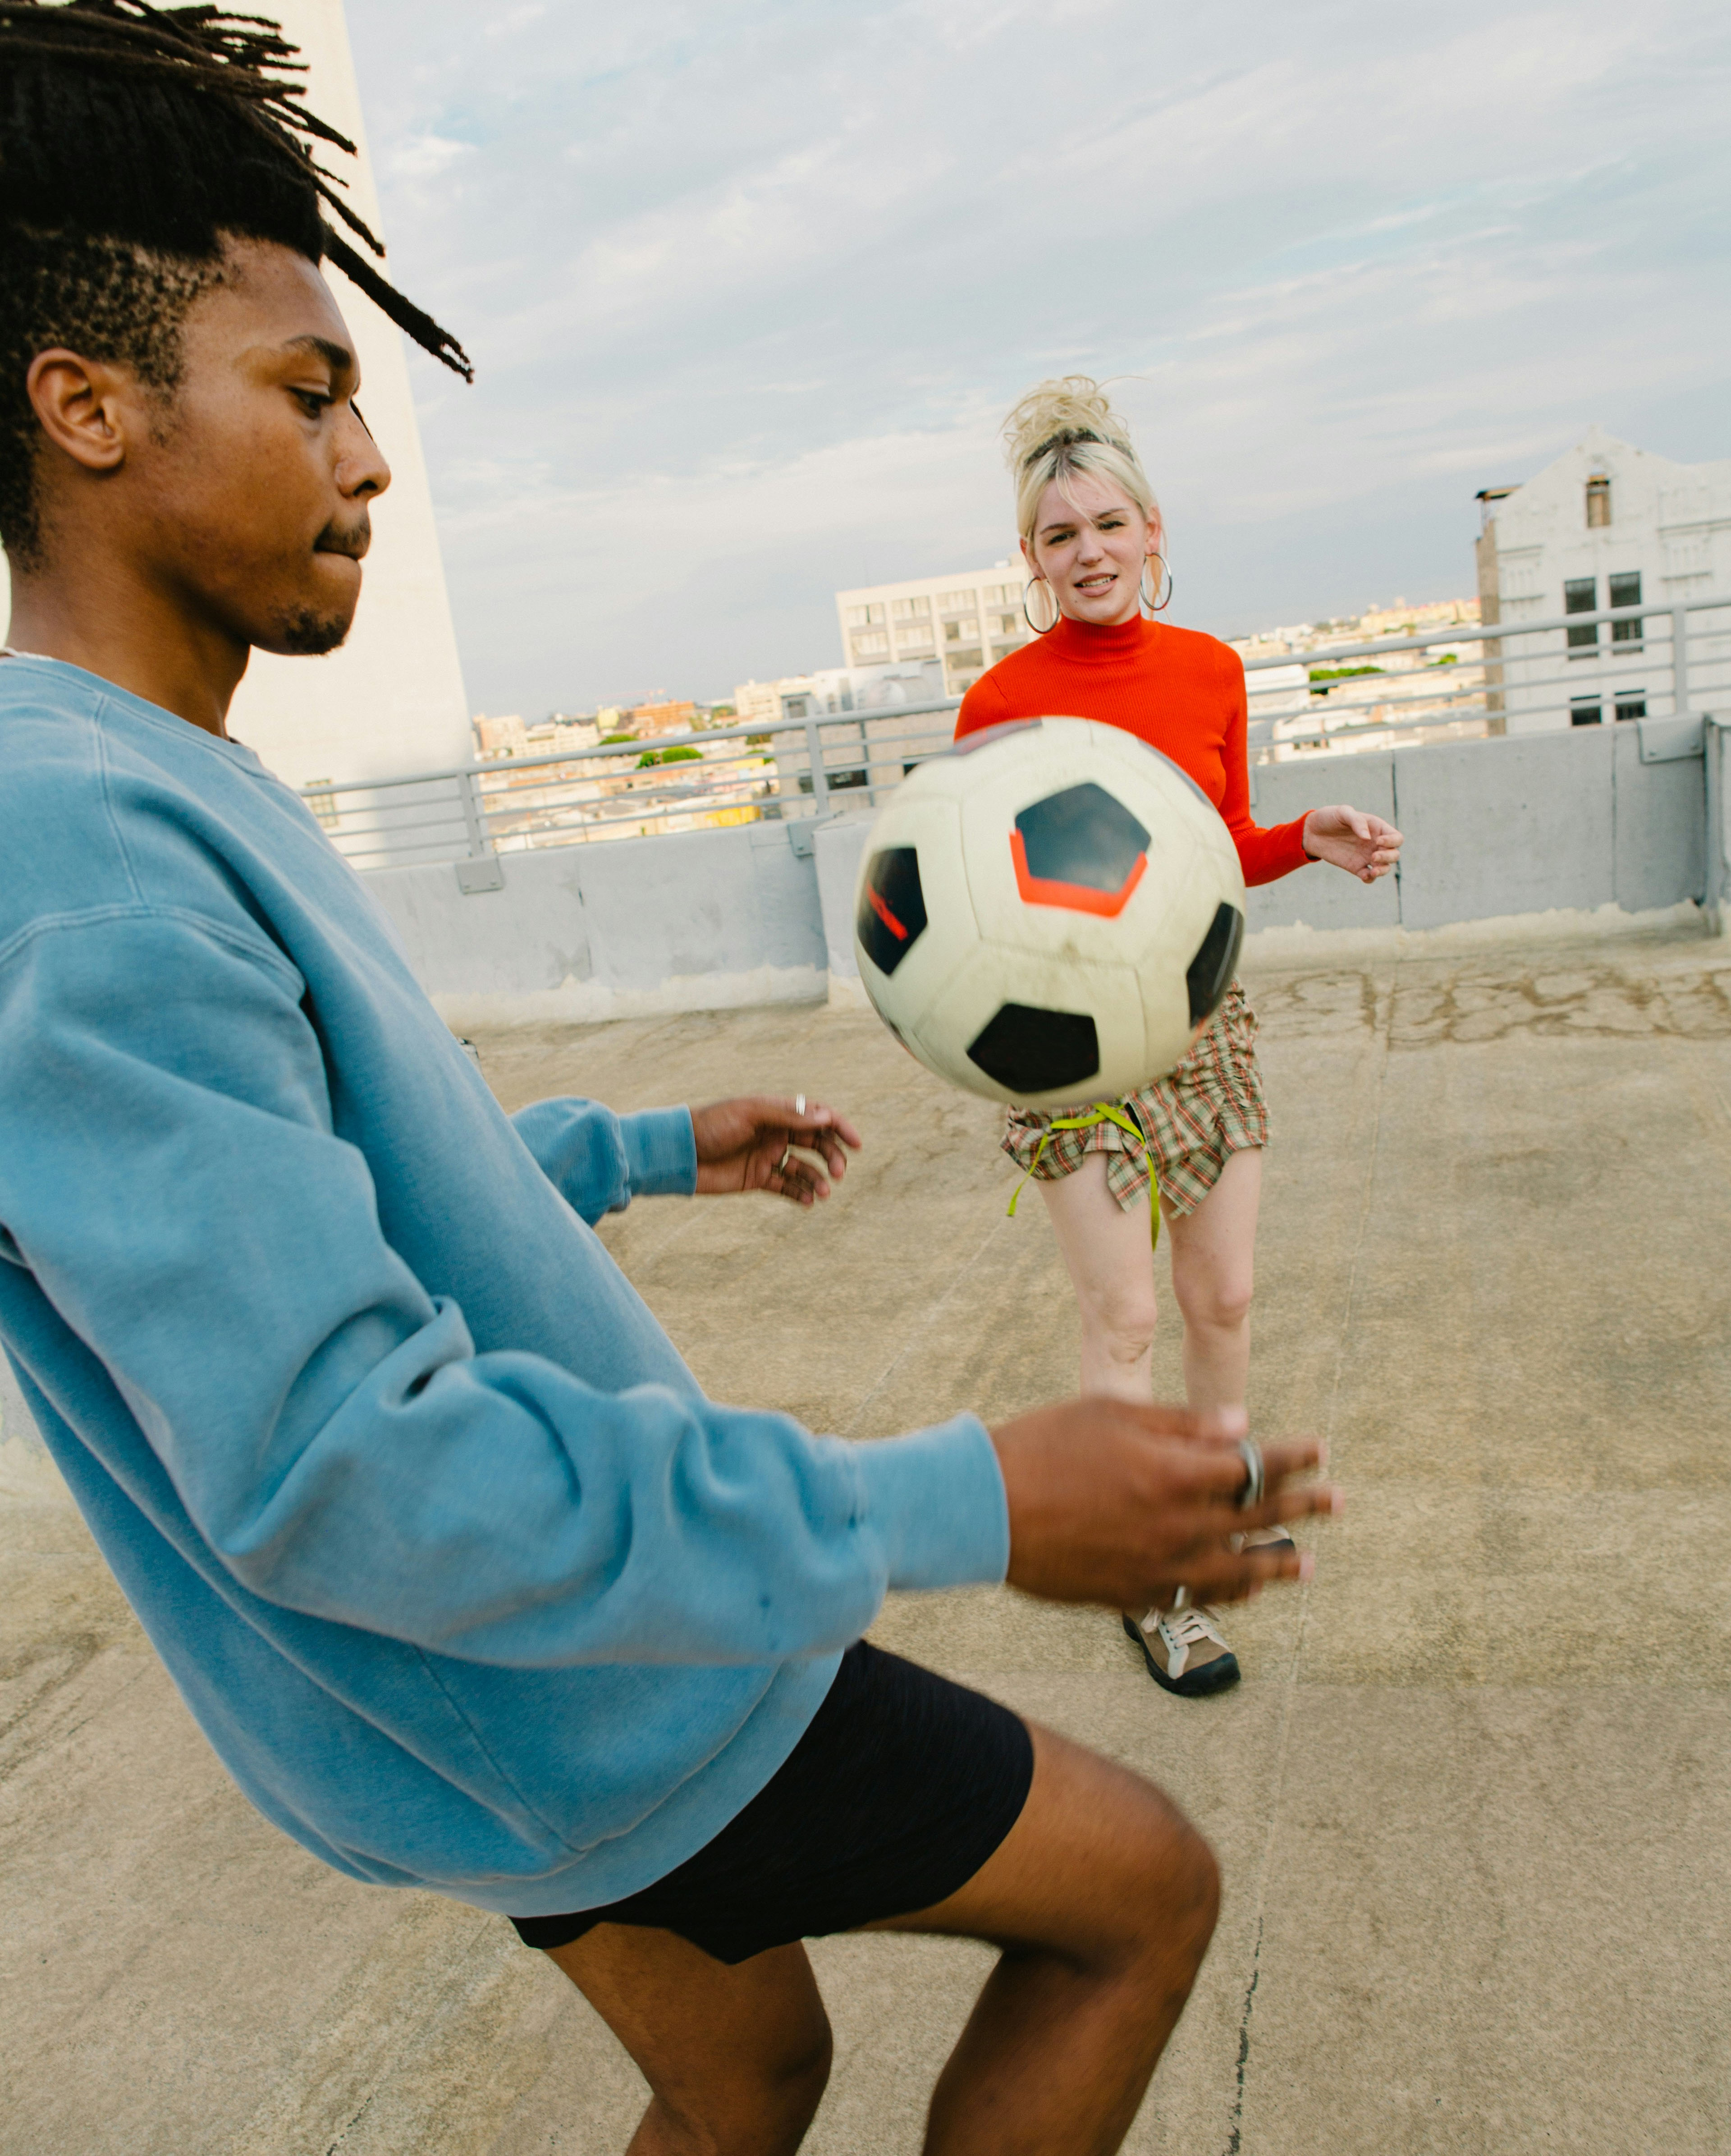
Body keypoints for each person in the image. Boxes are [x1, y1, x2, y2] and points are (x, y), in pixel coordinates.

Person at [0, 16, 1337, 2154]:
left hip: (493, 1691)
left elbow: (309, 1199)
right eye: (313, 390)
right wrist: (965, 1498)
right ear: (85, 407)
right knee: (1139, 1893)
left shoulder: (136, 781)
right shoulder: (73, 853)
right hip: (580, 1676)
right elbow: (347, 1469)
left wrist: (622, 1152)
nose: (368, 459)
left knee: (747, 2067)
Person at [955, 378, 1396, 1704]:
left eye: (1107, 524)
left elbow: (1211, 858)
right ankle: (1155, 1579)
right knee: (1127, 1312)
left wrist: (1300, 843)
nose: (1086, 552)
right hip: (1067, 1050)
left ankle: (1213, 1507)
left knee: (1224, 1301)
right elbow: (978, 897)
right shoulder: (1000, 702)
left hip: (1204, 1027)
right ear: (1029, 562)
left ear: (1151, 528)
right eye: (1056, 535)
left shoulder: (1212, 668)